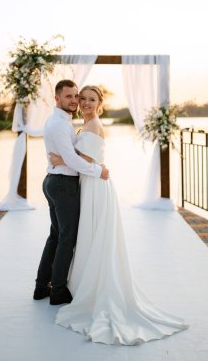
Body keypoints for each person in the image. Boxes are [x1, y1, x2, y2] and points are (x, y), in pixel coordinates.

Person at [50, 85, 189, 345]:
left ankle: (91, 287)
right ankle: (78, 282)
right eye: (83, 99)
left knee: (94, 234)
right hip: (91, 183)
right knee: (89, 234)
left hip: (95, 187)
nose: (86, 103)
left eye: (92, 99)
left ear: (100, 104)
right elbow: (86, 161)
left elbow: (81, 159)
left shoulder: (93, 126)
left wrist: (59, 160)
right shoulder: (87, 123)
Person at [33, 80, 109, 306]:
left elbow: (72, 156)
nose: (76, 101)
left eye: (77, 96)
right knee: (66, 239)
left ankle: (40, 286)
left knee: (56, 237)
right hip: (63, 185)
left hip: (57, 182)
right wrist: (98, 170)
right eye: (70, 96)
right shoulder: (59, 124)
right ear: (57, 99)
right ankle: (57, 290)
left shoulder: (65, 122)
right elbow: (75, 159)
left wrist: (61, 159)